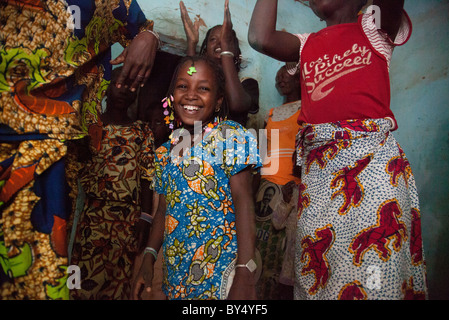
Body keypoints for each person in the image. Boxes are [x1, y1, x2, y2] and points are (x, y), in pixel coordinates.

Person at [249, 0, 428, 299]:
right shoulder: (306, 45)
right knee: (318, 277)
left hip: (371, 172)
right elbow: (260, 37)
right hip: (319, 181)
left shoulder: (373, 29)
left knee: (374, 276)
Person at [0, 0, 159, 300]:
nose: (125, 87)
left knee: (39, 275)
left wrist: (149, 37)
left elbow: (146, 179)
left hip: (56, 147)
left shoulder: (137, 133)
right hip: (18, 138)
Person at [131, 55, 261, 300]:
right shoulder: (167, 150)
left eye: (203, 88)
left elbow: (245, 203)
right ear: (172, 97)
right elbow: (163, 210)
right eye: (183, 86)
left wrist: (245, 270)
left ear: (219, 99)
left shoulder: (231, 136)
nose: (191, 95)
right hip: (177, 275)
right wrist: (149, 256)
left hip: (221, 273)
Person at [69, 68, 155, 300]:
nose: (125, 89)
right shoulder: (91, 126)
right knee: (80, 279)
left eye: (132, 86)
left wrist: (145, 218)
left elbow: (147, 177)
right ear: (106, 87)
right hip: (93, 215)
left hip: (127, 221)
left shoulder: (142, 132)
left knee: (117, 282)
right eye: (119, 83)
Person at [254, 64, 302, 299]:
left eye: (288, 73)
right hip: (265, 190)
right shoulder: (270, 114)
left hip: (289, 191)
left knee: (281, 255)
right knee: (257, 251)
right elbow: (261, 154)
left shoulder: (307, 111)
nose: (281, 77)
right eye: (278, 75)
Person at [179, 0, 259, 126]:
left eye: (225, 39)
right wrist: (191, 44)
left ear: (237, 52)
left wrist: (225, 48)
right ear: (205, 51)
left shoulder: (248, 83)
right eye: (213, 39)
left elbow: (236, 104)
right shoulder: (201, 81)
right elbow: (190, 81)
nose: (219, 43)